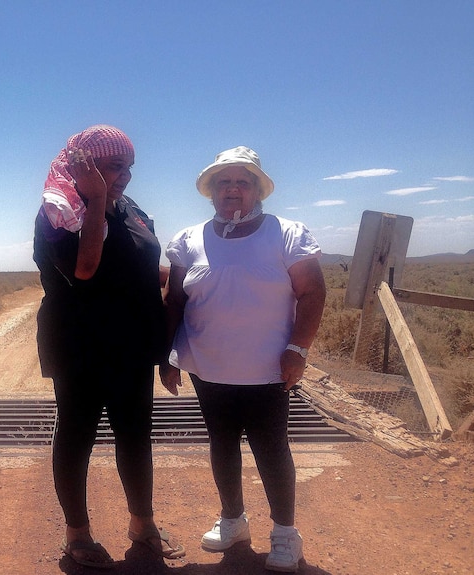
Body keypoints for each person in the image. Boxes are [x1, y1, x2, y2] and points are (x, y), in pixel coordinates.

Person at [160, 146, 326, 572]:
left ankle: (286, 533)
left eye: (242, 181)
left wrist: (298, 349)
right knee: (221, 444)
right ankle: (233, 520)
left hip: (270, 369)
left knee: (272, 449)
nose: (232, 189)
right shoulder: (188, 240)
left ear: (257, 190)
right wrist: (168, 356)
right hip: (209, 367)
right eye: (223, 182)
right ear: (212, 191)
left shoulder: (286, 234)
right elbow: (176, 300)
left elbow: (312, 293)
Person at [34, 125, 184, 568]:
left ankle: (143, 525)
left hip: (133, 344)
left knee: (136, 437)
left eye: (128, 167)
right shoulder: (60, 211)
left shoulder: (131, 209)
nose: (123, 176)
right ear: (83, 165)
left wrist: (198, 283)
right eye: (113, 165)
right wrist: (96, 197)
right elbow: (85, 268)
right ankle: (77, 535)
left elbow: (142, 266)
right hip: (79, 346)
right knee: (77, 435)